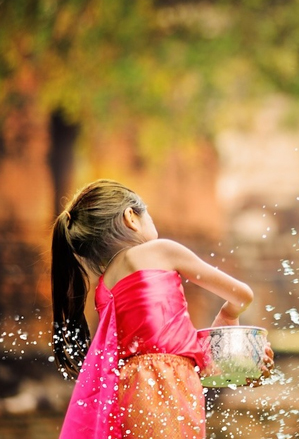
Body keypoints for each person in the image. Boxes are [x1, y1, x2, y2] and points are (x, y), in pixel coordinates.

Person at [51, 179, 274, 439]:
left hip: (128, 388)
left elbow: (154, 342)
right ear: (131, 218)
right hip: (167, 382)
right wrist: (228, 316)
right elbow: (242, 294)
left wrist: (206, 356)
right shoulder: (160, 250)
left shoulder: (104, 285)